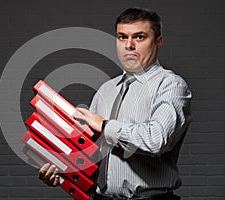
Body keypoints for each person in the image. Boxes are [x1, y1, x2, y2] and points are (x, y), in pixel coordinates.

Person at [38, 7, 192, 200]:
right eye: (122, 37)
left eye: (139, 37)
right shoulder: (106, 90)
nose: (129, 45)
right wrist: (63, 174)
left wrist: (104, 125)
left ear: (158, 42)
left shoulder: (171, 86)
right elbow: (91, 153)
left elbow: (156, 140)